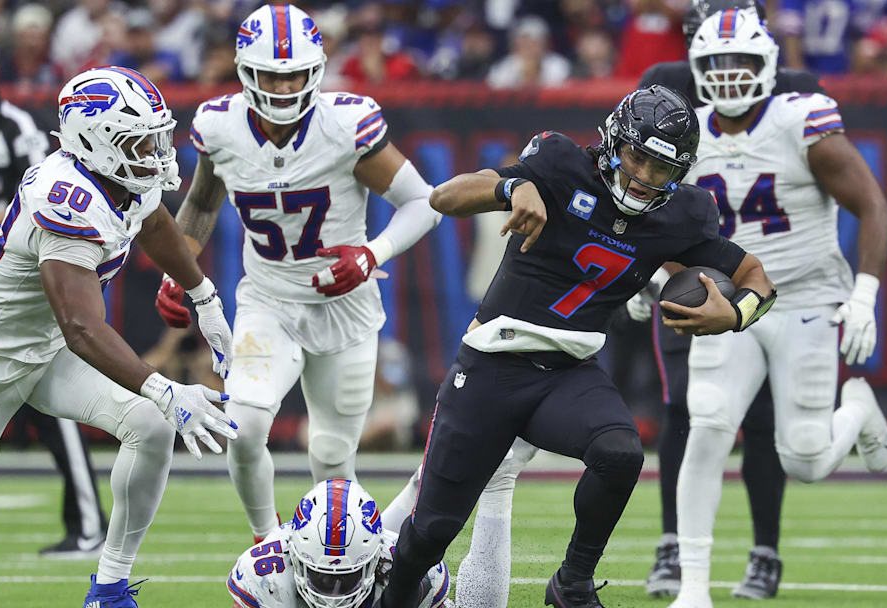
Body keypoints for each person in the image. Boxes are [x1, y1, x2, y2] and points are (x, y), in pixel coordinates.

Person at [376, 85, 777, 608]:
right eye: (636, 157)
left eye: (661, 168)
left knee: (620, 453)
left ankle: (572, 583)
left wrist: (737, 313)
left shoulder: (683, 214)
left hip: (568, 371)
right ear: (612, 142)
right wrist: (512, 187)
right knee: (431, 532)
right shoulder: (560, 164)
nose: (643, 176)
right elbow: (443, 198)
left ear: (679, 173)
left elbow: (756, 276)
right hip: (493, 363)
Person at [155, 3, 442, 544]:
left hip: (345, 309)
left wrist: (372, 254)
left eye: (295, 74)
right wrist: (176, 272)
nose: (285, 87)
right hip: (268, 303)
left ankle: (337, 564)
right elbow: (202, 203)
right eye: (271, 75)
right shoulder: (220, 127)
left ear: (316, 70)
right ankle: (268, 545)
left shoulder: (345, 125)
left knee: (332, 457)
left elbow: (423, 203)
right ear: (246, 72)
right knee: (243, 428)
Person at [0, 66, 239, 608]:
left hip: (44, 352)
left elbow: (155, 223)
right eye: (138, 141)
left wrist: (205, 295)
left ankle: (110, 590)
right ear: (95, 142)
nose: (155, 153)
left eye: (155, 137)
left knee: (149, 425)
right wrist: (165, 387)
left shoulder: (120, 178)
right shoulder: (66, 197)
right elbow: (82, 328)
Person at [667, 9, 887, 608]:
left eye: (740, 61)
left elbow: (873, 205)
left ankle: (857, 410)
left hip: (805, 298)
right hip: (729, 300)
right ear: (697, 67)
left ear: (767, 64)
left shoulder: (801, 121)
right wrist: (648, 281)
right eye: (716, 63)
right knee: (707, 425)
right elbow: (659, 223)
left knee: (807, 458)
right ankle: (693, 587)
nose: (728, 74)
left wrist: (864, 295)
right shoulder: (687, 133)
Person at [630, 0, 829, 598]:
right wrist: (642, 271)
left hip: (770, 282)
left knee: (764, 419)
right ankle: (673, 545)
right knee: (685, 410)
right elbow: (634, 176)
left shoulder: (795, 92)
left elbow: (827, 189)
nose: (722, 62)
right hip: (688, 274)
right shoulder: (666, 81)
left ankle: (765, 549)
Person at [0, 34, 109, 558]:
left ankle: (88, 524)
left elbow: (37, 197)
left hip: (15, 278)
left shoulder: (16, 129)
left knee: (44, 393)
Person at [228, 478, 453, 608]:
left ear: (375, 560)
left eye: (346, 579)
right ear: (295, 557)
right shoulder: (266, 578)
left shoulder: (402, 566)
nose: (333, 598)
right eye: (321, 578)